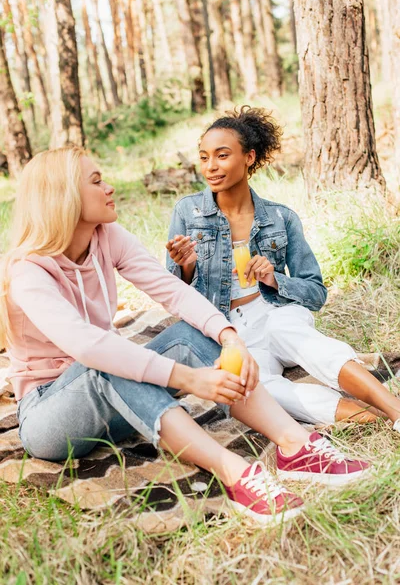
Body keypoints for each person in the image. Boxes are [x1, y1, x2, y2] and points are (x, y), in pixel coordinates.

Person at [0, 147, 370, 527]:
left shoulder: (106, 236)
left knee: (194, 333)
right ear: (63, 196)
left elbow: (171, 290)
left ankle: (296, 447)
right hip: (50, 419)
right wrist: (190, 379)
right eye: (96, 182)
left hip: (115, 402)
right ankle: (236, 475)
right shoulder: (28, 271)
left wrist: (229, 335)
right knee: (107, 360)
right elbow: (88, 346)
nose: (110, 188)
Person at [166, 106, 400, 432]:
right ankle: (370, 418)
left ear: (249, 157)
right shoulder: (187, 213)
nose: (211, 167)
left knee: (286, 331)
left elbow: (316, 292)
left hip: (276, 314)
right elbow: (174, 296)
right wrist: (186, 267)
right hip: (228, 333)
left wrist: (274, 279)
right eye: (204, 157)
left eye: (222, 155)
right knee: (255, 389)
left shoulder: (280, 218)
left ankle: (395, 408)